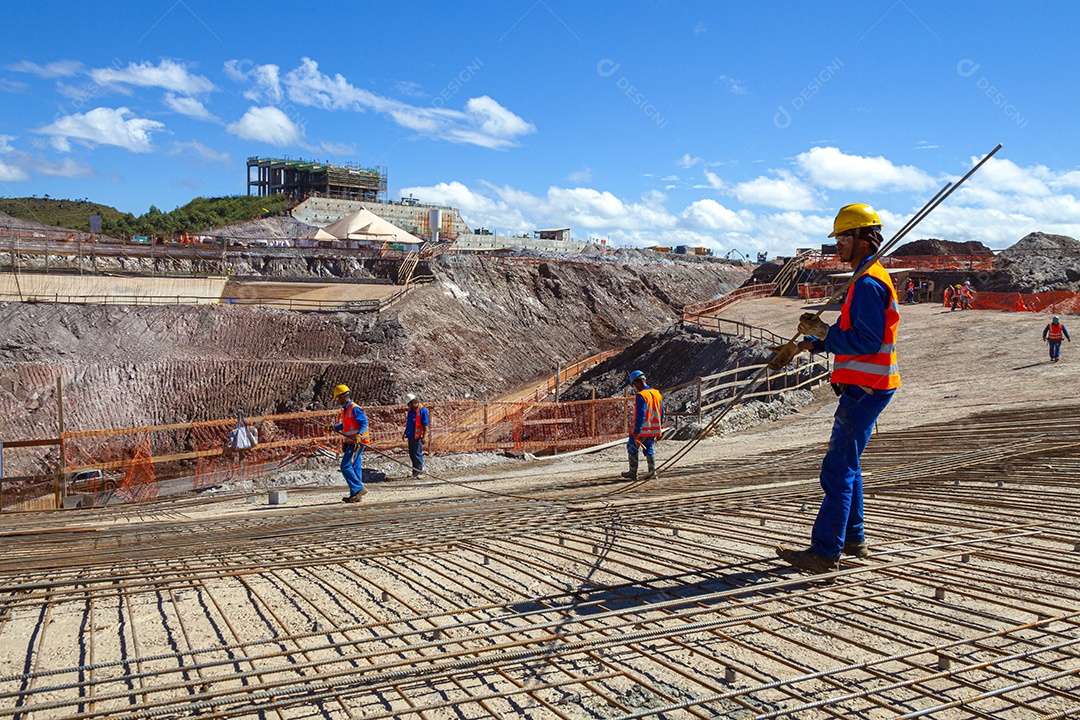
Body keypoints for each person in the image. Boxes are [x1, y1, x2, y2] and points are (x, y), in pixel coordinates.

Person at [767, 203, 900, 574]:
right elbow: (852, 336)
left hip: (867, 387)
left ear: (861, 238)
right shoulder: (863, 277)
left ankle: (825, 552)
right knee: (849, 466)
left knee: (837, 469)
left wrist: (823, 332)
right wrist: (809, 345)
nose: (836, 245)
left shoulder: (869, 283)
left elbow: (868, 341)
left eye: (842, 237)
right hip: (867, 385)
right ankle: (853, 538)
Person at [330, 384, 371, 503]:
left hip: (357, 442)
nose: (337, 400)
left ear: (343, 396)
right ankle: (355, 494)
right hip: (352, 442)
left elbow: (364, 423)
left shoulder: (355, 408)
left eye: (338, 398)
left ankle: (359, 488)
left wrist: (359, 435)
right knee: (355, 466)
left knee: (345, 466)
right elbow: (346, 425)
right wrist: (334, 427)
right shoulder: (347, 409)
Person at [621, 370, 664, 481]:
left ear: (636, 382)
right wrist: (660, 427)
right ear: (645, 379)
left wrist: (637, 431)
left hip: (643, 429)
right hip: (654, 429)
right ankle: (652, 472)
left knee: (632, 447)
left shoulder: (641, 395)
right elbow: (662, 411)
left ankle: (633, 472)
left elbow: (641, 413)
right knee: (649, 449)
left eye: (635, 384)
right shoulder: (656, 393)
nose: (635, 387)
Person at [402, 393, 429, 476]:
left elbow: (425, 425)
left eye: (409, 404)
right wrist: (405, 432)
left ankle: (419, 472)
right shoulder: (411, 411)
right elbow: (409, 423)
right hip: (411, 435)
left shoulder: (422, 411)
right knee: (412, 454)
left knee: (417, 454)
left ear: (413, 402)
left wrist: (424, 437)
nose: (408, 406)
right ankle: (414, 471)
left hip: (418, 437)